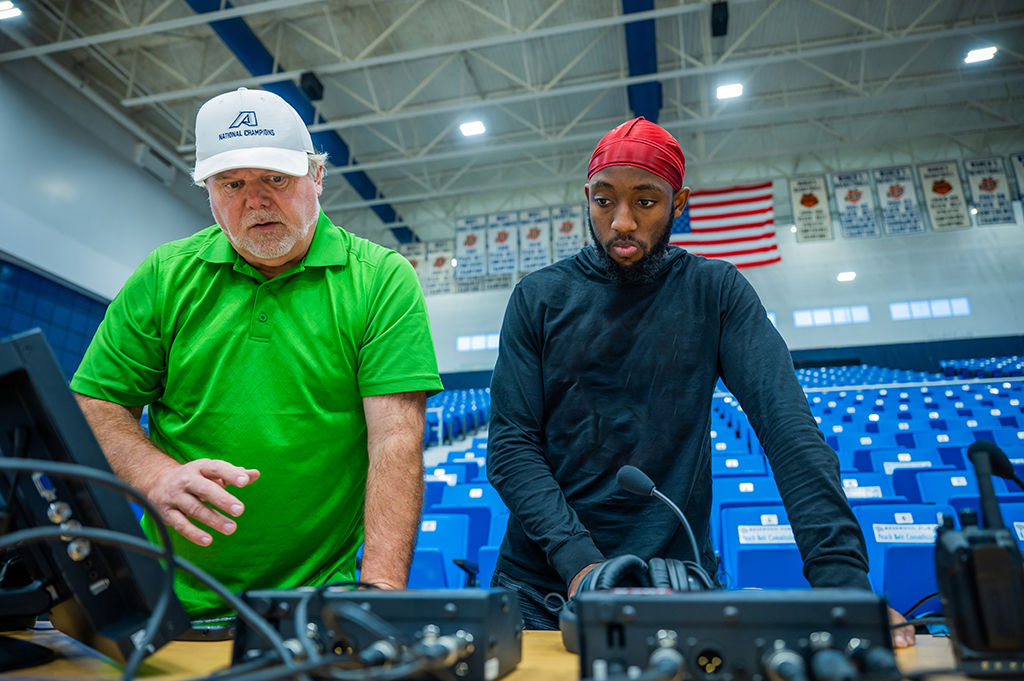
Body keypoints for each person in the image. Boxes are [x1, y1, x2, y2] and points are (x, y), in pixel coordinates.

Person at [486, 117, 915, 647]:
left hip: (677, 582)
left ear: (679, 203)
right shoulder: (538, 298)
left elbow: (788, 431)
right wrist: (582, 567)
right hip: (542, 592)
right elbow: (511, 447)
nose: (621, 222)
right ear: (587, 198)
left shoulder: (716, 293)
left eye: (645, 202)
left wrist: (843, 584)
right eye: (604, 201)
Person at [71, 87, 442, 618]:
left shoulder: (381, 279)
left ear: (316, 178)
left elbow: (395, 443)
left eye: (276, 179)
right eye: (232, 184)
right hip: (171, 600)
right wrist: (153, 474)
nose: (256, 200)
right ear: (209, 193)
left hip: (317, 604)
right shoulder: (164, 275)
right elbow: (96, 405)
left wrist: (378, 595)